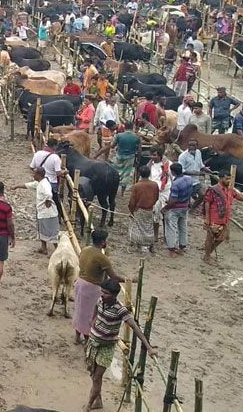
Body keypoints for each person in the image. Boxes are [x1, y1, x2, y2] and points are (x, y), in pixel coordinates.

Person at [85, 279, 156, 412]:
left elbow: (135, 328)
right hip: (93, 342)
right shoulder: (101, 301)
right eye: (102, 292)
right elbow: (95, 307)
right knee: (93, 374)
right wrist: (93, 319)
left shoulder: (120, 310)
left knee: (97, 377)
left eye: (105, 293)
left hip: (106, 347)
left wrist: (149, 347)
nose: (102, 295)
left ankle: (88, 405)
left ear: (114, 295)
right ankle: (98, 400)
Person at [72, 229, 124, 343]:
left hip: (80, 283)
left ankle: (77, 336)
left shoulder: (85, 250)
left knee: (79, 310)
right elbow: (113, 277)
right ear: (103, 242)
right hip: (91, 287)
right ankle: (87, 338)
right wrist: (129, 280)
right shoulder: (102, 258)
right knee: (89, 314)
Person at [13, 168, 57, 253]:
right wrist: (17, 186)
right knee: (41, 229)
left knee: (51, 231)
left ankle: (57, 249)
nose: (33, 175)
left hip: (48, 212)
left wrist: (47, 201)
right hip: (42, 211)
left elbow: (48, 194)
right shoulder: (39, 183)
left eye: (34, 174)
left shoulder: (45, 184)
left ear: (38, 175)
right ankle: (43, 248)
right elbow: (28, 185)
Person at [163, 163, 193, 256]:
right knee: (183, 226)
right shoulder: (189, 179)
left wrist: (165, 208)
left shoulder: (175, 184)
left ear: (173, 172)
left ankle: (171, 247)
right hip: (185, 206)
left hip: (175, 208)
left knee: (171, 227)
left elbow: (174, 200)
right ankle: (182, 245)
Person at [127, 168, 160, 254]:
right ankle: (151, 245)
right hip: (150, 209)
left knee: (138, 228)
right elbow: (157, 197)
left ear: (140, 174)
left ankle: (140, 246)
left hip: (139, 209)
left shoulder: (137, 186)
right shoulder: (155, 185)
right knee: (149, 228)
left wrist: (131, 210)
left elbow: (132, 201)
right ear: (149, 174)